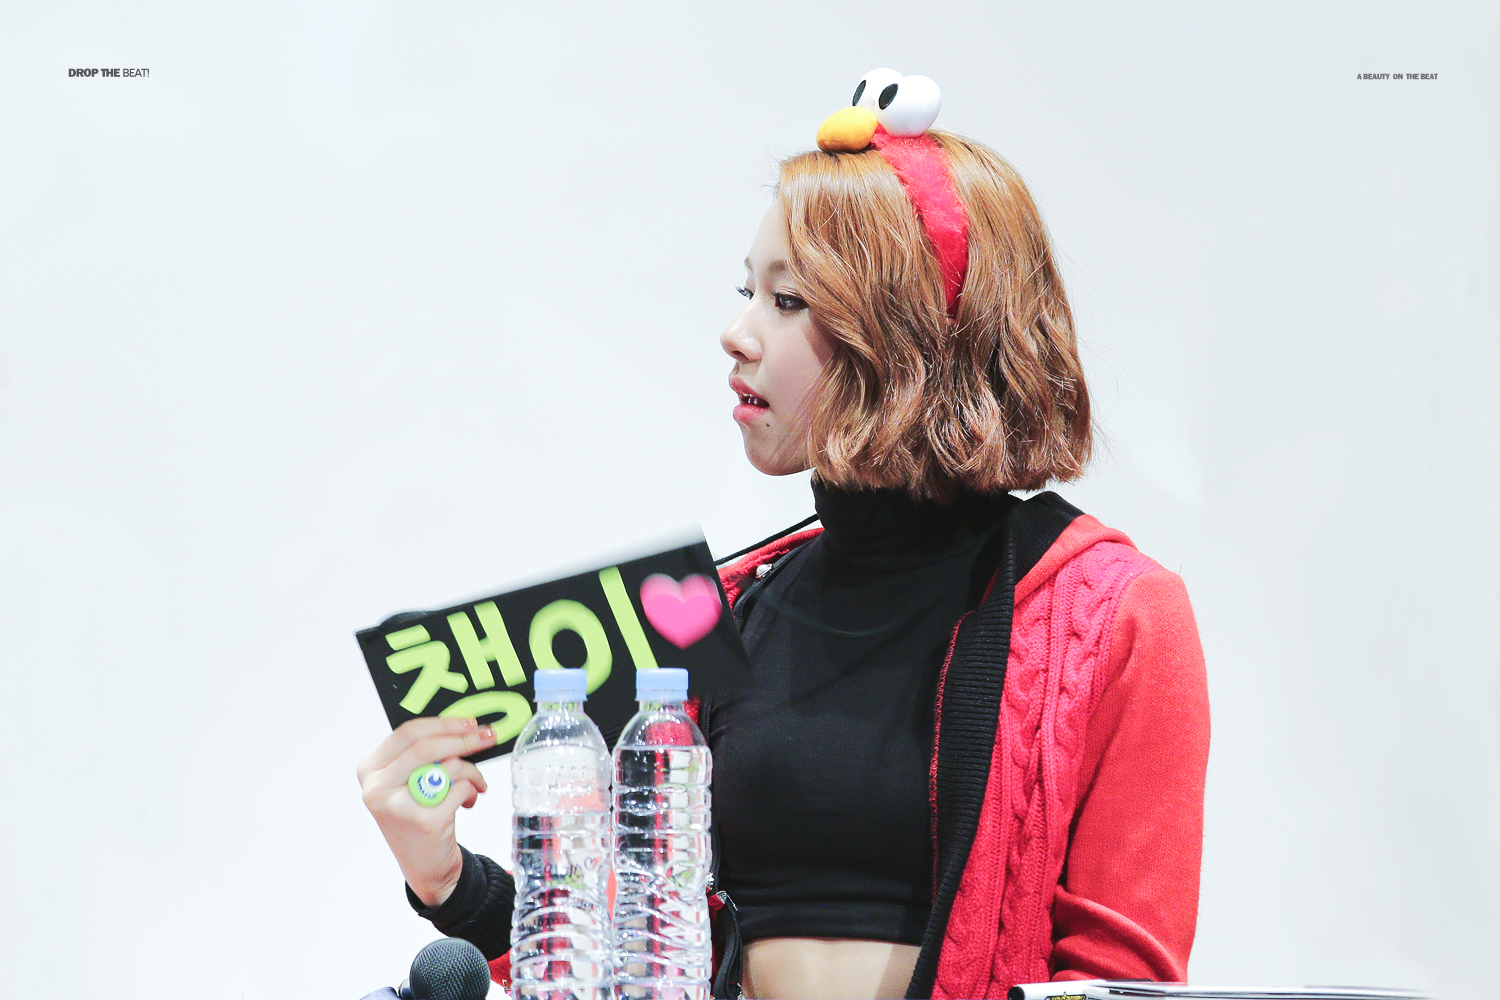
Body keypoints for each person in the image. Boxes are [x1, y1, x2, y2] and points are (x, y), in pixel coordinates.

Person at [357, 79, 1209, 1000]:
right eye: (747, 292)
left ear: (916, 336)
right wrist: (448, 879)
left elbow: (1123, 980)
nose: (737, 334)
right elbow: (633, 953)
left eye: (788, 300)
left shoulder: (1116, 616)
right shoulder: (732, 610)